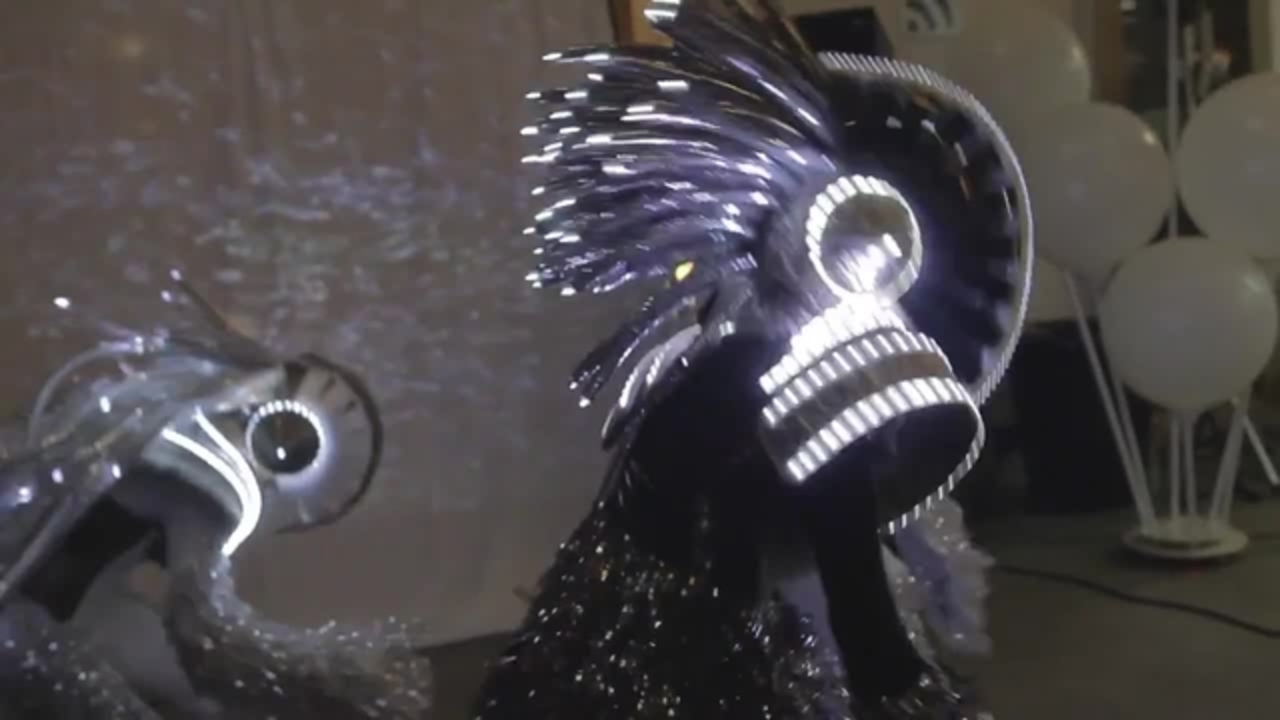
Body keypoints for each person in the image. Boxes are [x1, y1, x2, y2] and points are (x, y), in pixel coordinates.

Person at [474, 0, 1032, 717]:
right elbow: (866, 625)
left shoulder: (728, 363)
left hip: (599, 640)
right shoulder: (806, 391)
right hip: (664, 668)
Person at [0, 275, 433, 719]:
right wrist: (334, 673)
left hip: (53, 622)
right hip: (30, 625)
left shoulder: (196, 489)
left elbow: (202, 618)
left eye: (295, 443)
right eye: (285, 431)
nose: (281, 445)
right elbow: (204, 620)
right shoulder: (189, 480)